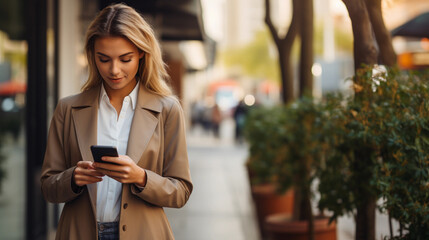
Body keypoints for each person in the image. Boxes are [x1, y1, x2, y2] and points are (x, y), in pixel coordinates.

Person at [40, 3, 192, 240]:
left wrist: (141, 177)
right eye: (104, 59)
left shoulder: (167, 110)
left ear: (142, 53)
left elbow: (181, 191)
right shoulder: (68, 109)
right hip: (78, 232)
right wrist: (72, 178)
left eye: (125, 59)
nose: (114, 70)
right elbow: (48, 186)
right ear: (92, 55)